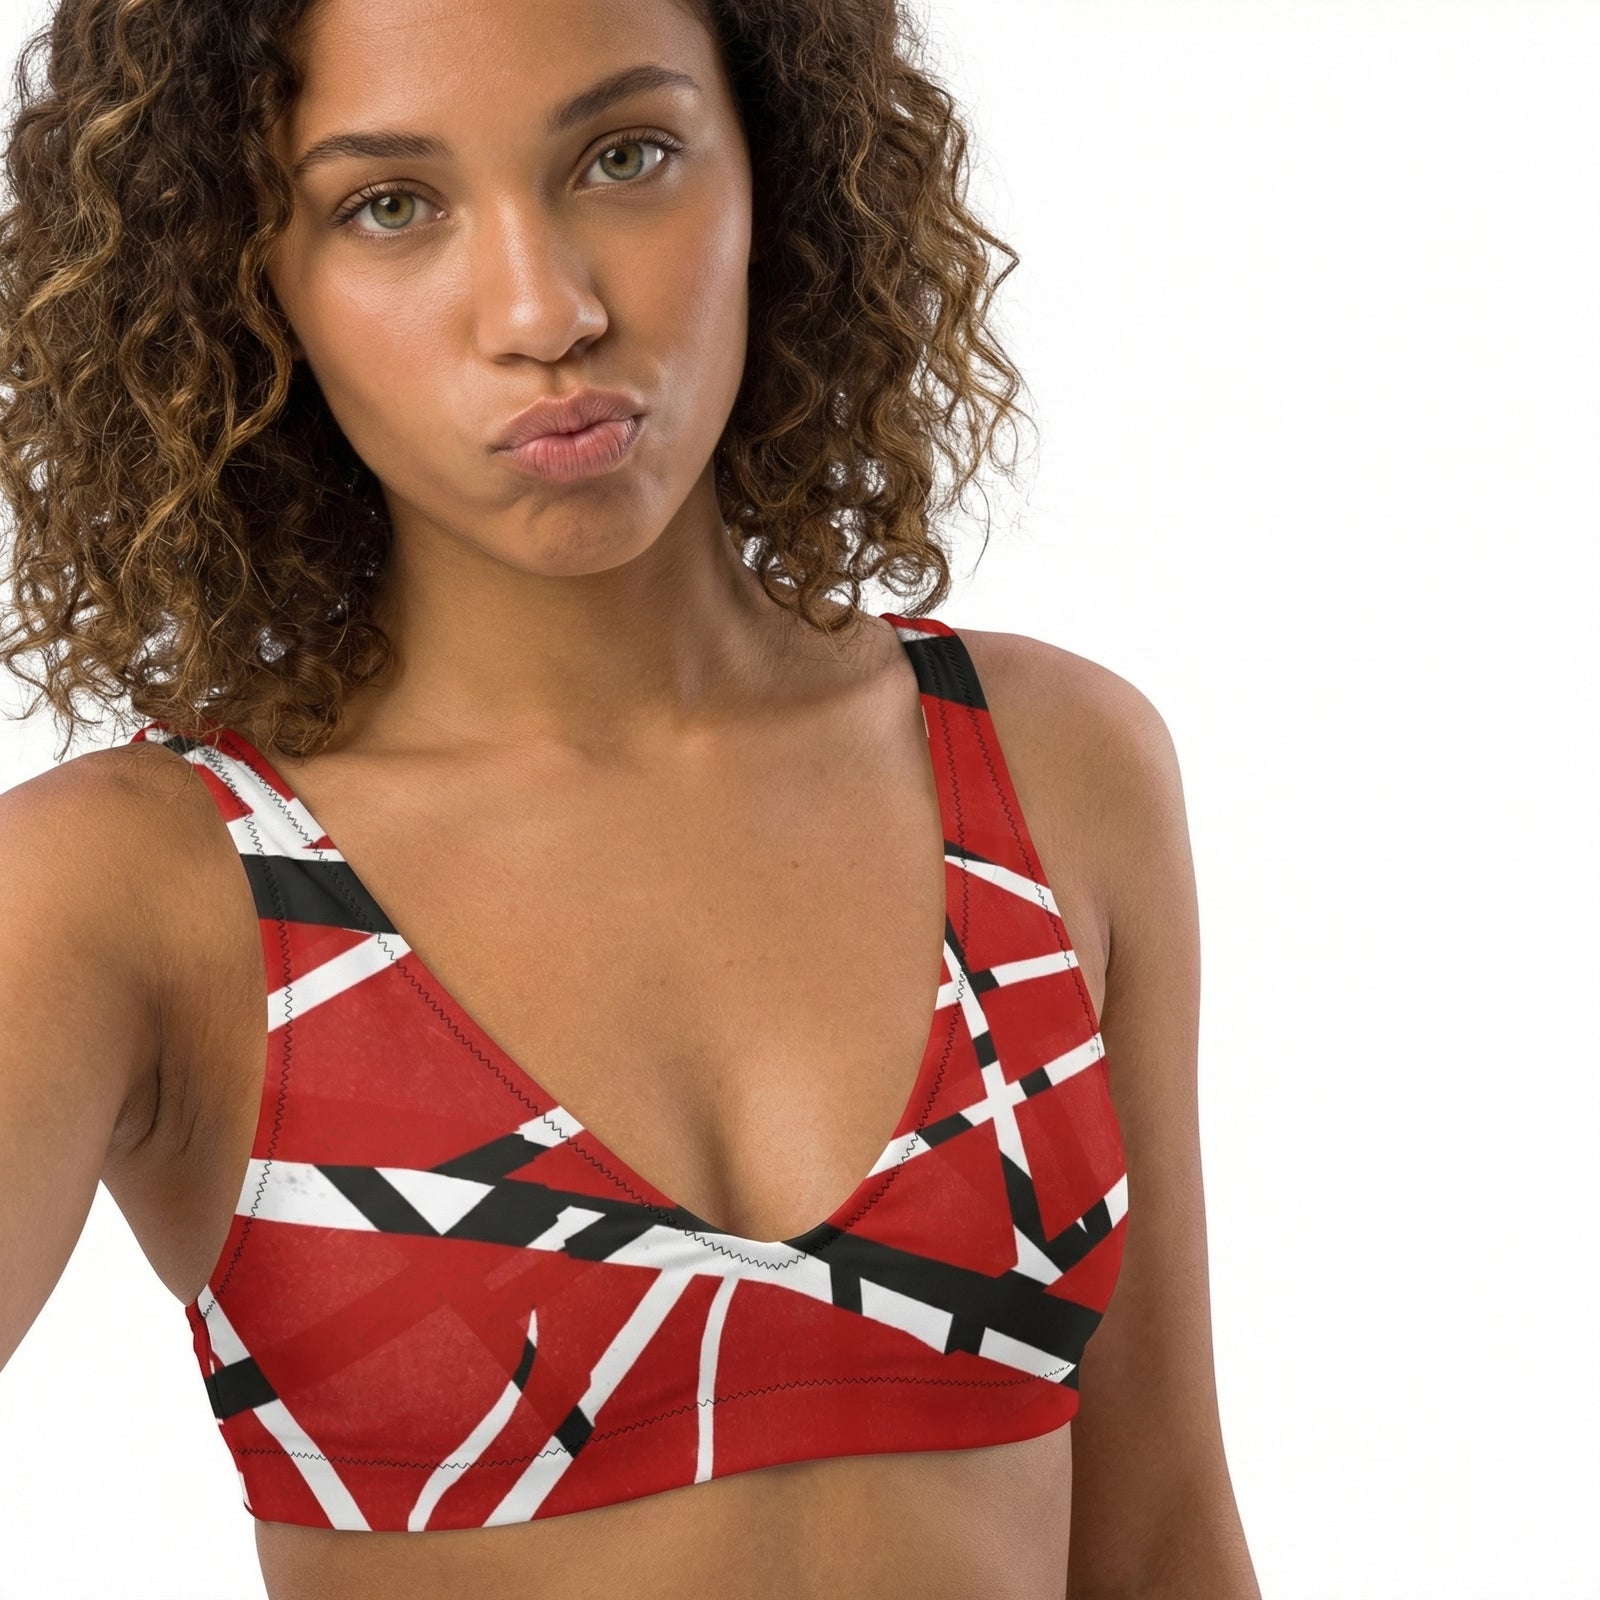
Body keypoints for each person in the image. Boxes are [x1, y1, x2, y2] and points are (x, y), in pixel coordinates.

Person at [0, 0, 1260, 1595]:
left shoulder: (1054, 766)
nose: (546, 308)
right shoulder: (139, 888)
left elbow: (1162, 1541)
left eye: (625, 156)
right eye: (390, 205)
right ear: (247, 280)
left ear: (775, 172)